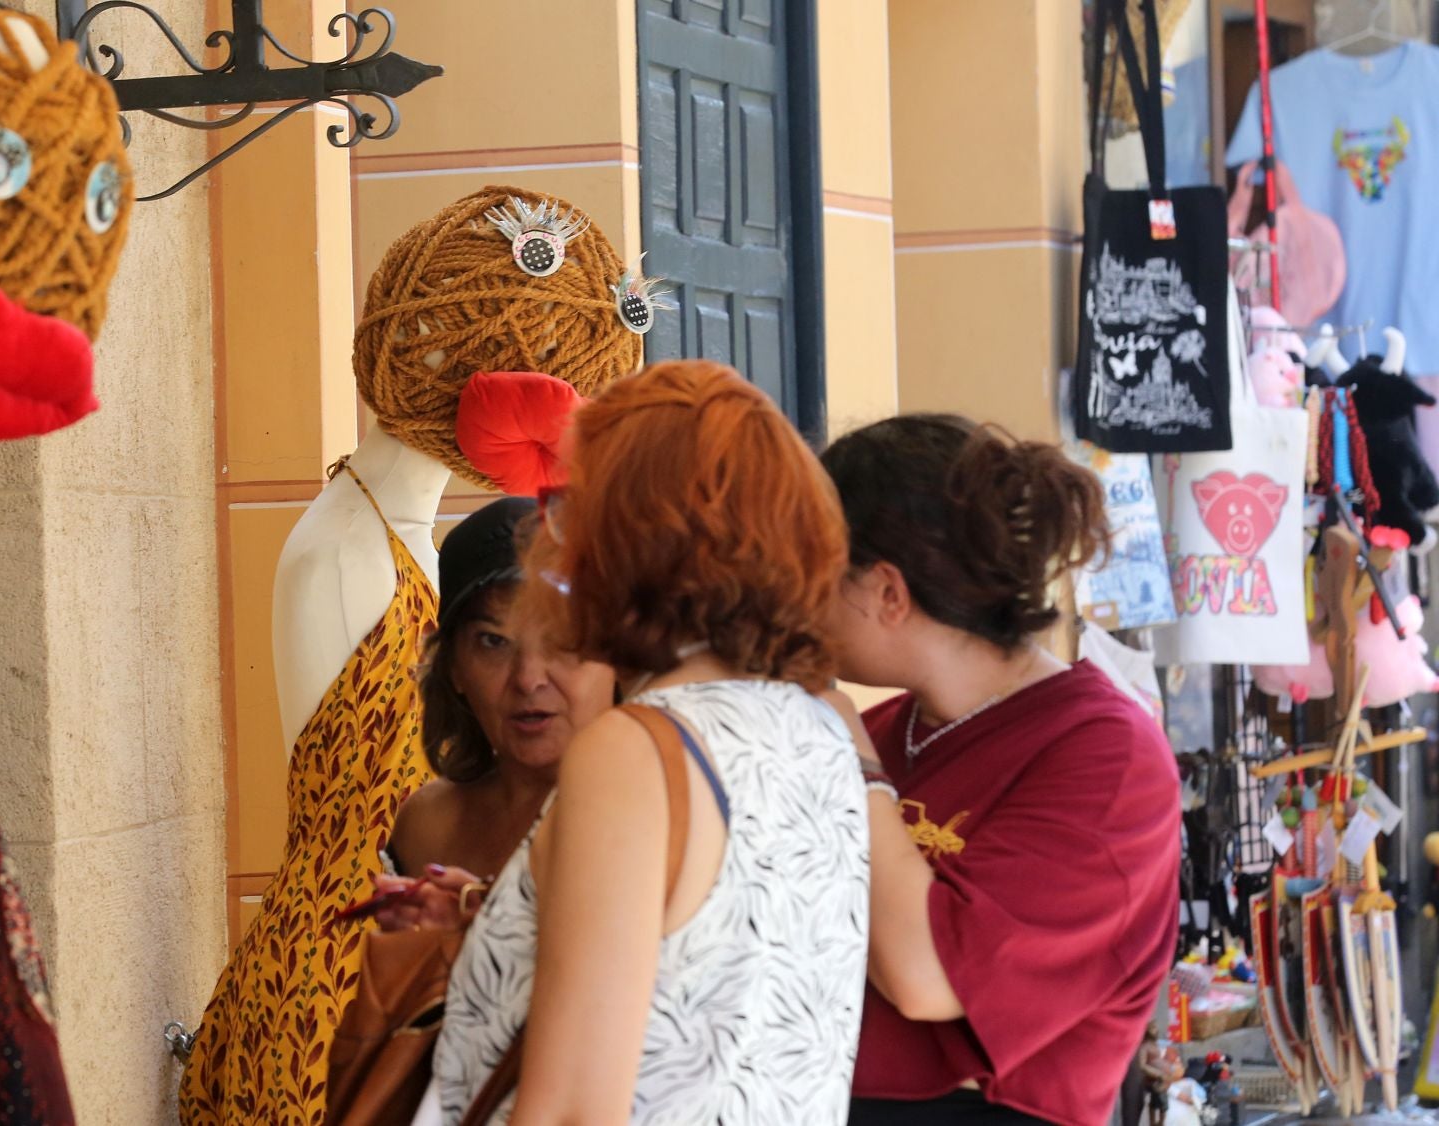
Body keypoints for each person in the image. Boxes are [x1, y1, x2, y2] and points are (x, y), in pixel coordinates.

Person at [425, 359, 870, 1125]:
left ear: (627, 534)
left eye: (573, 506)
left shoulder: (637, 750)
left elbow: (571, 1109)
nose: (553, 536)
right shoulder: (818, 727)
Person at [819, 414, 1181, 1126]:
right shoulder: (890, 730)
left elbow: (927, 977)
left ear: (888, 593)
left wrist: (850, 761)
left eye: (814, 572)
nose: (793, 600)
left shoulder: (1107, 756)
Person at [383, 497, 617, 883]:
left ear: (619, 654)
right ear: (454, 667)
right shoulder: (429, 828)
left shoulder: (668, 820)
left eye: (562, 637)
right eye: (493, 642)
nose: (528, 678)